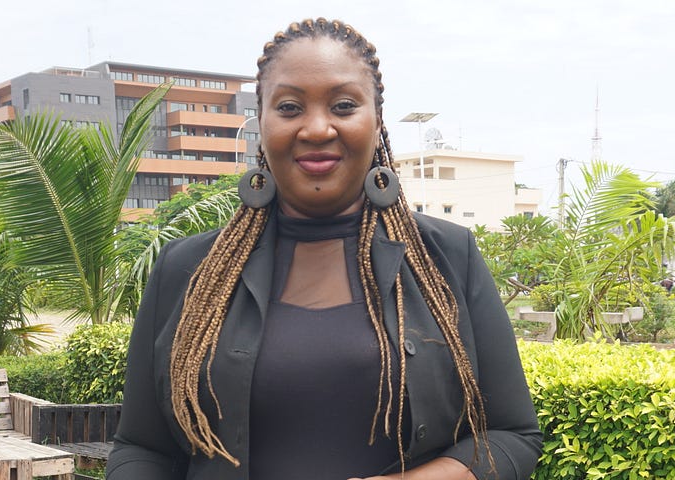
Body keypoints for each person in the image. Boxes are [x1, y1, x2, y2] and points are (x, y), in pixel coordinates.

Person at [108, 18, 541, 480]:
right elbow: (140, 447)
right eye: (290, 107)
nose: (317, 128)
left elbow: (512, 434)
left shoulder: (448, 256)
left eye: (343, 105)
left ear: (376, 123)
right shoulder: (186, 269)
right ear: (263, 124)